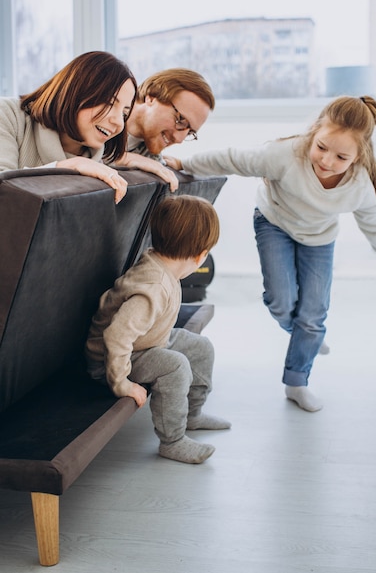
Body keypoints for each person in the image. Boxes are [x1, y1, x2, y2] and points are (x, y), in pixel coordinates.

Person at [165, 95, 376, 412]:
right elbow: (233, 158)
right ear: (314, 133)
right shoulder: (286, 155)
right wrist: (185, 163)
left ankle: (298, 378)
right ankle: (305, 336)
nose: (327, 161)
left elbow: (375, 224)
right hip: (275, 223)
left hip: (319, 238)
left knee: (314, 314)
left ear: (359, 156)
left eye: (341, 157)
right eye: (322, 147)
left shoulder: (360, 186)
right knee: (280, 301)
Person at [85, 194, 231, 464]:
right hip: (114, 360)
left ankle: (193, 415)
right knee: (175, 366)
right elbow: (116, 336)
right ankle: (172, 440)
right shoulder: (152, 288)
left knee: (200, 347)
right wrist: (122, 384)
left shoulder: (162, 263)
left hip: (147, 343)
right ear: (200, 256)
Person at [0, 51, 137, 204]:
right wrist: (68, 167)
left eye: (124, 114)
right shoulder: (7, 113)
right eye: (109, 103)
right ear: (76, 92)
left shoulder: (101, 171)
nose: (119, 122)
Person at [119, 68, 215, 192]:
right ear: (152, 98)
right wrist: (124, 158)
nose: (179, 139)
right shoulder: (100, 117)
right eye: (181, 120)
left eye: (190, 132)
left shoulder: (152, 159)